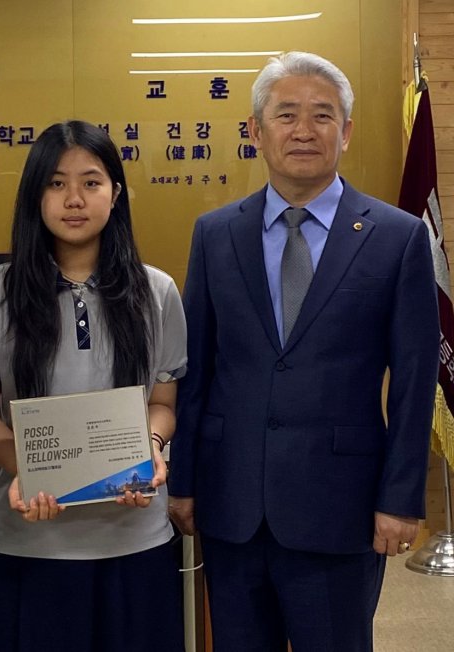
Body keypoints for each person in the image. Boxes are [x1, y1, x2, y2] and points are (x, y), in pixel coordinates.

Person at [168, 51, 440, 651]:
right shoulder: (216, 234)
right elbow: (197, 369)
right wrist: (182, 482)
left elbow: (417, 380)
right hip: (232, 502)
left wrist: (401, 500)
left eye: (323, 116)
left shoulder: (397, 237)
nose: (304, 130)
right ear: (255, 131)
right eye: (285, 114)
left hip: (340, 506)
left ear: (345, 132)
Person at [0, 120, 187, 652]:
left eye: (92, 182)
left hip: (134, 536)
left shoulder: (157, 291)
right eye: (56, 184)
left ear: (116, 194)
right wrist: (29, 465)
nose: (74, 199)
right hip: (30, 540)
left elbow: (162, 402)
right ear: (35, 196)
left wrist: (150, 449)